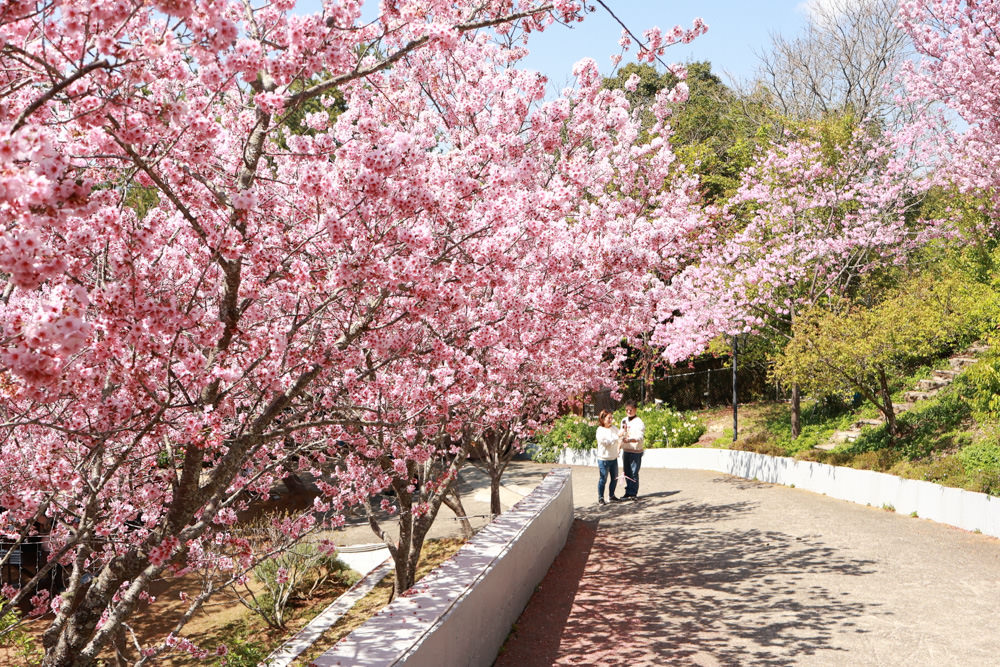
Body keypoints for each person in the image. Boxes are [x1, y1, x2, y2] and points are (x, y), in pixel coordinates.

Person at [620, 401, 645, 500]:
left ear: (635, 409)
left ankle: (633, 493)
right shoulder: (624, 420)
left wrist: (630, 440)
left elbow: (639, 437)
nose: (629, 412)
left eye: (631, 410)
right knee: (626, 472)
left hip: (635, 451)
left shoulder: (639, 422)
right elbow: (621, 432)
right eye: (627, 410)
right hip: (626, 449)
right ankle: (628, 491)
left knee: (634, 472)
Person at [595, 410, 621, 505]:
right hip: (603, 459)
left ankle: (611, 495)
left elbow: (621, 435)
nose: (611, 420)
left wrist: (625, 431)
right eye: (608, 418)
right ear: (603, 419)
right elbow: (606, 443)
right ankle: (601, 497)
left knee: (615, 478)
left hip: (613, 458)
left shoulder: (614, 428)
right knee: (603, 478)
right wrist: (617, 437)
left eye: (611, 418)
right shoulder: (600, 430)